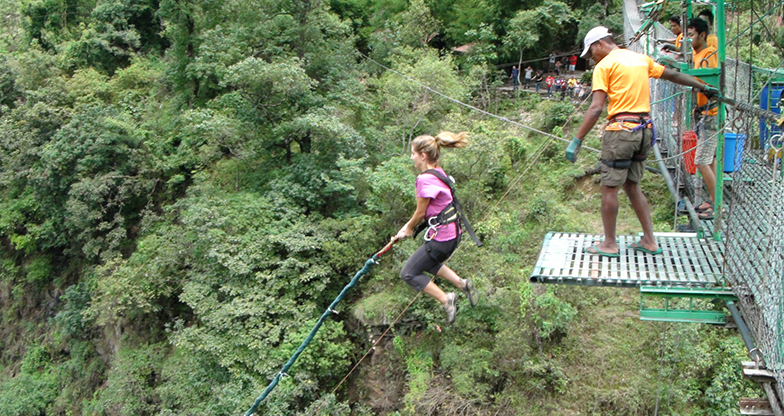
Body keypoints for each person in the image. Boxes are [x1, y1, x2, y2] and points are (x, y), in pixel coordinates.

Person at [565, 26, 718, 257]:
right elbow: (674, 75)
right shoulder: (640, 59)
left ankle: (609, 243)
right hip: (645, 130)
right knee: (632, 185)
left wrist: (576, 140)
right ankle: (649, 240)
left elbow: (596, 107)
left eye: (591, 53)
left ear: (599, 44)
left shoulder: (604, 66)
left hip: (621, 132)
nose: (591, 58)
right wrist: (704, 87)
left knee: (609, 187)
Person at [397, 132, 479, 323]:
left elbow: (420, 213)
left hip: (442, 239)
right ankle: (462, 283)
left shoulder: (424, 179)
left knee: (409, 273)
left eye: (413, 153)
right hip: (452, 235)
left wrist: (408, 228)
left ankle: (446, 299)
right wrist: (407, 227)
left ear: (423, 155)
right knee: (428, 262)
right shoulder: (438, 173)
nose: (411, 157)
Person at [688, 17, 719, 220]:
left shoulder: (709, 55)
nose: (688, 39)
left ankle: (718, 205)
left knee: (700, 161)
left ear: (702, 35)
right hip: (703, 113)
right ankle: (712, 198)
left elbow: (711, 82)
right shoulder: (698, 54)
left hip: (711, 114)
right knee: (711, 159)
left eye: (691, 35)